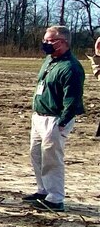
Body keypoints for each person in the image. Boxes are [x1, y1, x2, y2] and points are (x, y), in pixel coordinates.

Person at [25, 25, 85, 211]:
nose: (46, 44)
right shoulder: (49, 61)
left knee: (52, 158)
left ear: (63, 42)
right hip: (39, 117)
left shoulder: (71, 68)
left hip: (55, 119)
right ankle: (43, 189)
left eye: (50, 40)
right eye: (45, 40)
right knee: (36, 155)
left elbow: (72, 99)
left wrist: (63, 122)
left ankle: (55, 198)